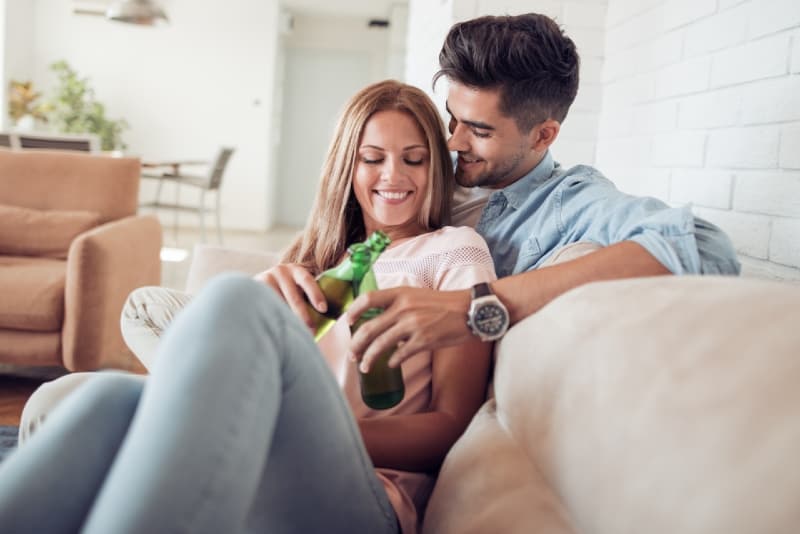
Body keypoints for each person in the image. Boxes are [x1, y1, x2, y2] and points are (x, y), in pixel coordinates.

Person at [0, 80, 496, 534]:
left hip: (365, 490)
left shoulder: (454, 249)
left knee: (231, 299)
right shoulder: (324, 257)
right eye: (372, 158)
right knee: (76, 399)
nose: (394, 176)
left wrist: (277, 425)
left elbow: (452, 422)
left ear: (436, 165)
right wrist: (266, 298)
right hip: (274, 451)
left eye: (414, 159)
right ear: (347, 165)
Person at [347, 13, 740, 373]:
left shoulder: (571, 202)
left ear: (543, 135)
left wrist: (475, 304)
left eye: (480, 131)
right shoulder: (422, 163)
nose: (453, 142)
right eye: (452, 119)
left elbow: (707, 247)